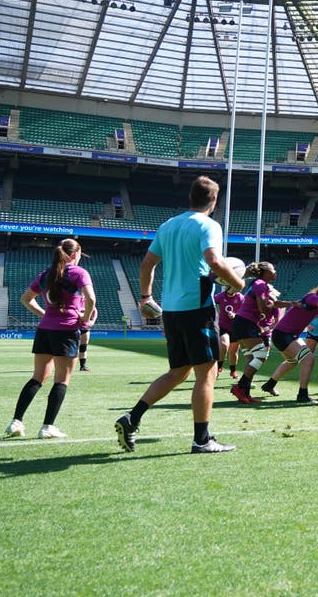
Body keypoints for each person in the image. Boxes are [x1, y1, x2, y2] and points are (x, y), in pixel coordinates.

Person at [115, 176, 246, 454]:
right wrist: (238, 283)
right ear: (214, 200)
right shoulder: (209, 225)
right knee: (206, 374)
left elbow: (146, 265)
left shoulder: (168, 225)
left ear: (191, 197)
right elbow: (214, 261)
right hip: (197, 308)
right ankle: (202, 439)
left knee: (178, 372)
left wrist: (145, 297)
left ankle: (132, 417)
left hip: (172, 309)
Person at [7, 238, 96, 440]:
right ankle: (47, 426)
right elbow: (91, 299)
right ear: (75, 254)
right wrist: (84, 318)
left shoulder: (46, 274)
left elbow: (25, 299)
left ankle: (16, 421)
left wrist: (44, 315)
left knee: (37, 377)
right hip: (66, 331)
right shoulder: (79, 273)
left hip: (44, 330)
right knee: (62, 380)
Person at [230, 261, 282, 404]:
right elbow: (262, 308)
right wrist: (272, 305)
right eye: (273, 269)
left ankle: (245, 394)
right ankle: (240, 388)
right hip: (246, 323)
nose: (275, 272)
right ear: (265, 272)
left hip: (243, 323)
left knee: (252, 359)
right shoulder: (260, 284)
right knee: (260, 356)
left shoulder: (256, 284)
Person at [213, 287, 243, 378]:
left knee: (234, 352)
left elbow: (244, 312)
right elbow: (210, 302)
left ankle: (233, 371)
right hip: (223, 327)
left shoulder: (240, 297)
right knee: (224, 345)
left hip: (236, 328)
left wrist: (235, 315)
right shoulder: (220, 296)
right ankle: (219, 368)